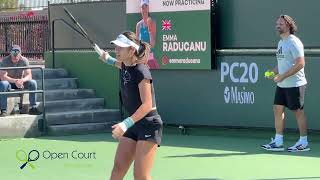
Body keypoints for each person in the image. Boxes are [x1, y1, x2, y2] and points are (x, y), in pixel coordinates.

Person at [98, 31, 163, 179]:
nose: (117, 50)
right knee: (117, 170)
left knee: (141, 176)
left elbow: (147, 105)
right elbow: (115, 62)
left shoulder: (141, 71)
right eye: (116, 47)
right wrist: (106, 58)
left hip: (149, 124)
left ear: (131, 50)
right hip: (134, 124)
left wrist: (125, 124)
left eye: (121, 47)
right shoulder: (125, 65)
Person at [261, 15, 309, 152]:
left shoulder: (294, 42)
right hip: (282, 84)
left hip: (296, 83)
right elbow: (282, 63)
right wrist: (274, 71)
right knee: (277, 109)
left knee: (298, 112)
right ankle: (278, 141)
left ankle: (304, 142)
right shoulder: (281, 42)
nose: (277, 26)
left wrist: (282, 76)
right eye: (277, 23)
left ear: (288, 25)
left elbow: (300, 63)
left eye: (281, 24)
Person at [0, 45, 41, 116]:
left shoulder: (24, 60)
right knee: (3, 84)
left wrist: (22, 80)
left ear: (20, 53)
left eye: (17, 52)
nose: (15, 55)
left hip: (20, 82)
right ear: (10, 53)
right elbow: (3, 77)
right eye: (13, 53)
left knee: (33, 82)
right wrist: (15, 81)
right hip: (10, 83)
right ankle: (3, 110)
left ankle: (33, 107)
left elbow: (29, 75)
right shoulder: (5, 61)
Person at [136, 0, 160, 69]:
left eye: (146, 6)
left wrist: (149, 28)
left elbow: (152, 44)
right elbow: (137, 44)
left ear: (148, 8)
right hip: (141, 58)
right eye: (142, 7)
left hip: (150, 57)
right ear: (140, 9)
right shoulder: (138, 25)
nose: (144, 9)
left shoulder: (152, 22)